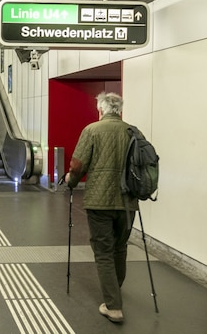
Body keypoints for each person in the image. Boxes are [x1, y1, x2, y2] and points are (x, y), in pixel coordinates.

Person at [64, 92, 137, 324]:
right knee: (120, 248)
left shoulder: (92, 130)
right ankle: (114, 289)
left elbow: (77, 165)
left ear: (101, 109)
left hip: (99, 201)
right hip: (128, 201)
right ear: (120, 110)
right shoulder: (133, 132)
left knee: (104, 251)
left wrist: (70, 182)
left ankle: (113, 306)